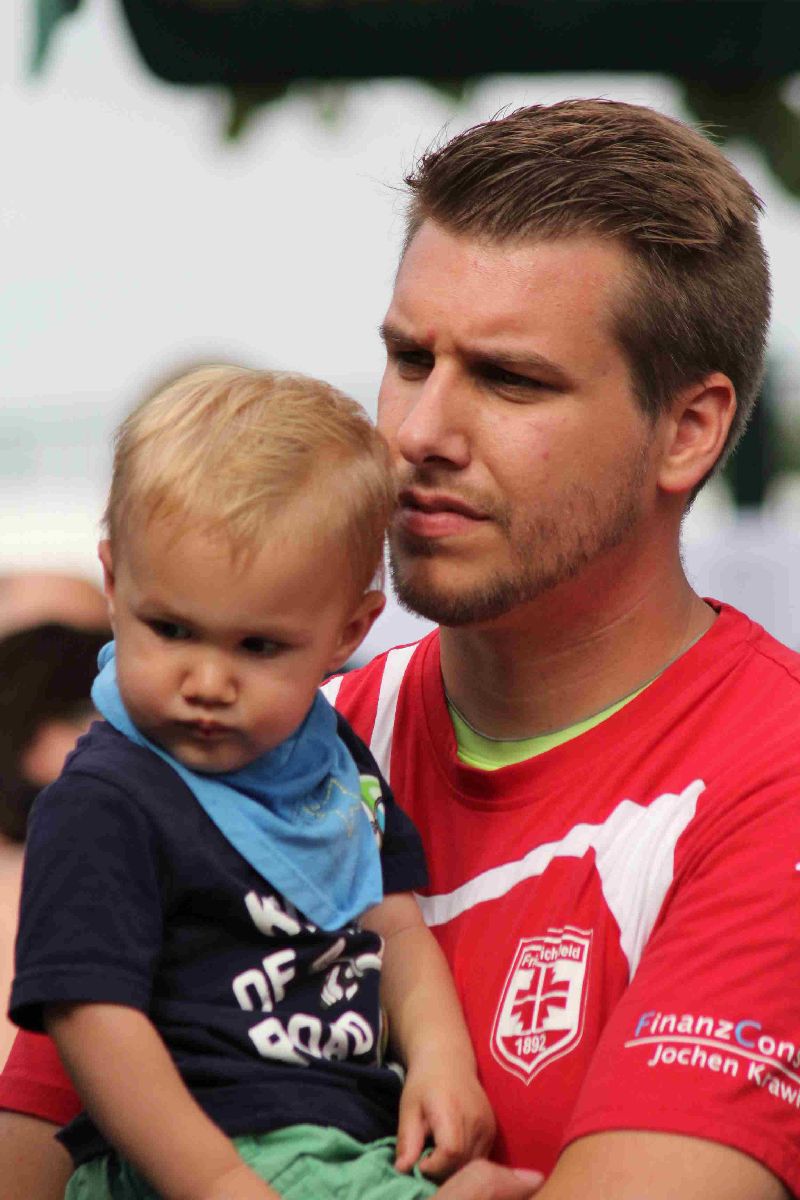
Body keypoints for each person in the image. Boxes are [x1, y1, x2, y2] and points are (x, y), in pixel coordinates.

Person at [1, 96, 796, 1200]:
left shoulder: (771, 782)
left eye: (511, 379)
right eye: (410, 358)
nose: (418, 433)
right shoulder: (257, 734)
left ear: (688, 430)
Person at [8, 366, 495, 1200]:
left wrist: (442, 1062)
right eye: (171, 630)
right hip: (204, 1150)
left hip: (341, 1137)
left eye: (258, 647)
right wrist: (217, 1181)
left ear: (346, 631)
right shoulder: (106, 799)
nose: (207, 682)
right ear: (115, 585)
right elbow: (89, 1017)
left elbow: (393, 925)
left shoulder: (329, 759)